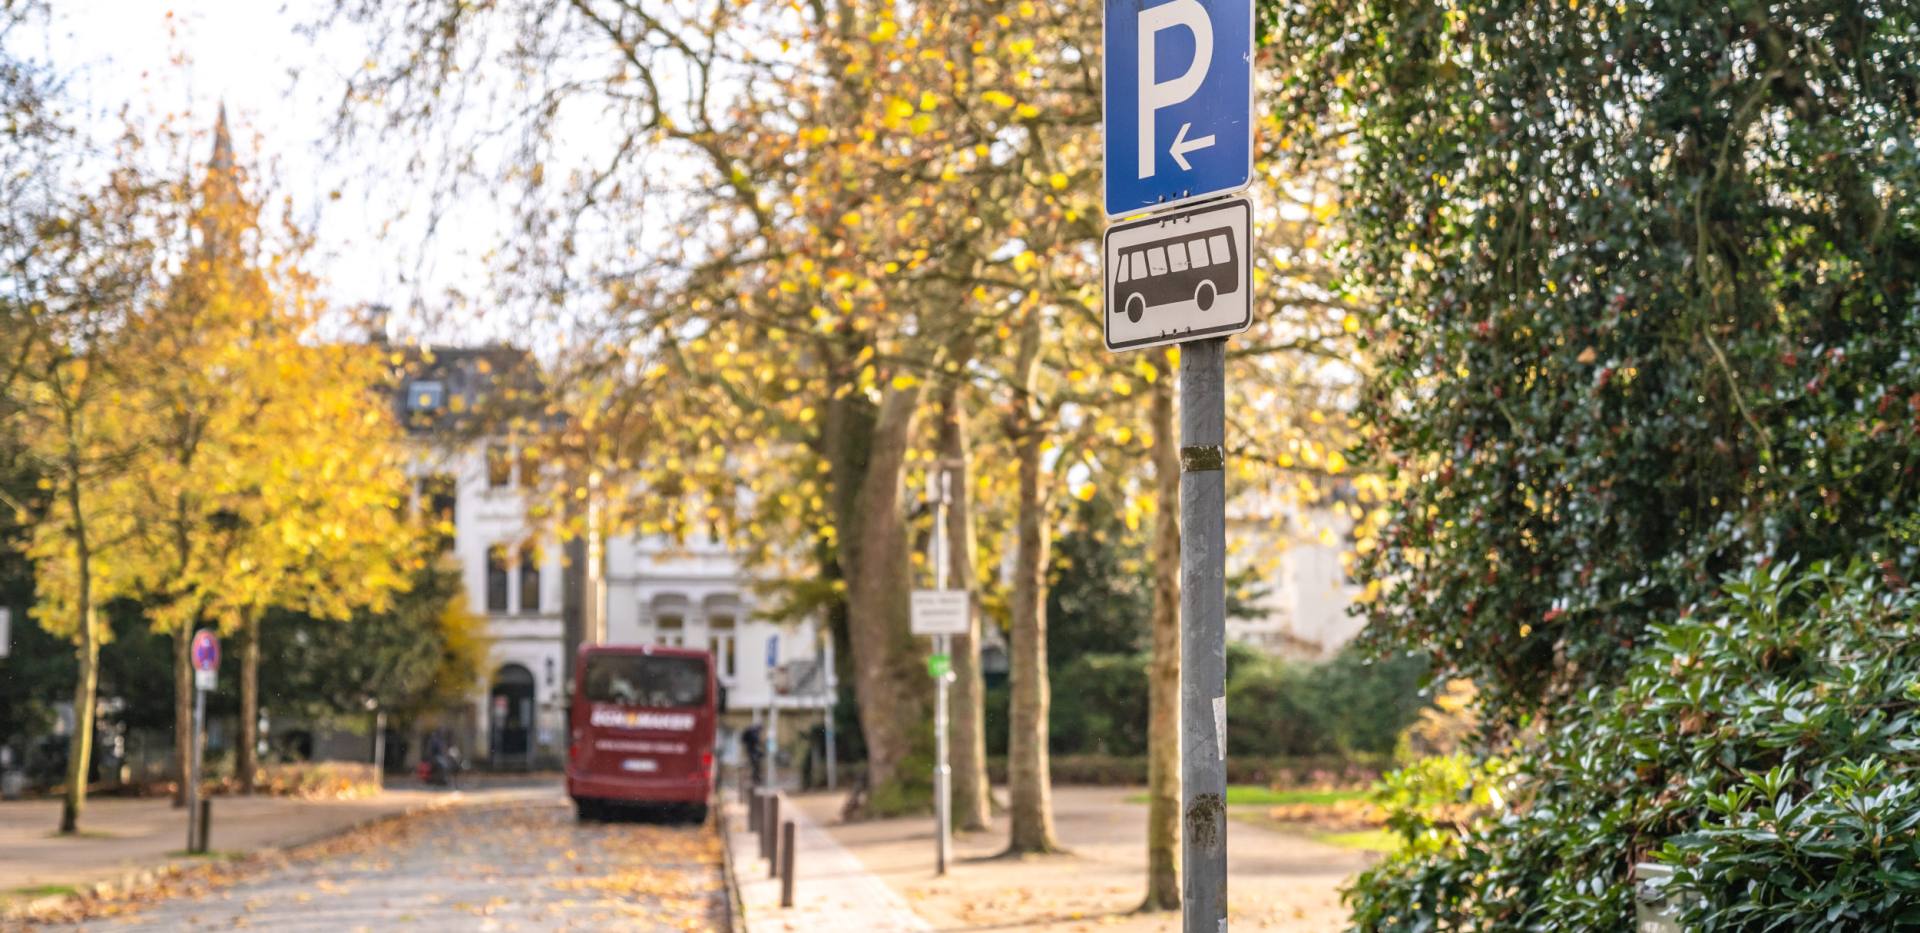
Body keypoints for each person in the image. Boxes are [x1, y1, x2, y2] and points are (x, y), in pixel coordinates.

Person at [741, 722, 764, 787]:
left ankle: (756, 778)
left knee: (756, 763)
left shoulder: (752, 731)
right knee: (755, 764)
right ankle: (755, 778)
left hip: (752, 750)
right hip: (751, 750)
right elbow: (755, 740)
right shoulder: (753, 732)